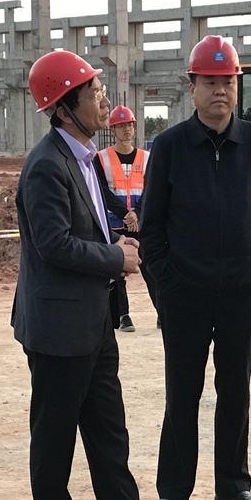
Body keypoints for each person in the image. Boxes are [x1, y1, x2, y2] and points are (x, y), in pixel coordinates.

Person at [11, 50, 190, 500]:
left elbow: (88, 223)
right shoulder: (46, 166)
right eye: (94, 92)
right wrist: (116, 258)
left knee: (109, 432)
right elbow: (53, 244)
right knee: (55, 439)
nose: (105, 101)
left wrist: (118, 237)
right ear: (63, 107)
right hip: (58, 328)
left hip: (92, 321)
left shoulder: (84, 157)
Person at [140, 35, 251, 500]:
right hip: (185, 292)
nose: (220, 90)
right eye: (210, 82)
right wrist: (166, 286)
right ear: (193, 87)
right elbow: (151, 226)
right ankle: (174, 488)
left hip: (244, 292)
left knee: (236, 390)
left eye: (227, 82)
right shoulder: (169, 146)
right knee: (182, 391)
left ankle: (233, 484)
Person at [94, 105, 157, 332]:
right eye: (121, 126)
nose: (127, 129)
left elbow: (151, 189)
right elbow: (101, 191)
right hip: (114, 225)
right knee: (117, 272)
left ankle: (163, 312)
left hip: (140, 223)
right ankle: (123, 316)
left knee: (152, 269)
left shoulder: (147, 158)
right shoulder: (100, 158)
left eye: (129, 125)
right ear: (113, 130)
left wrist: (136, 213)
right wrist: (125, 214)